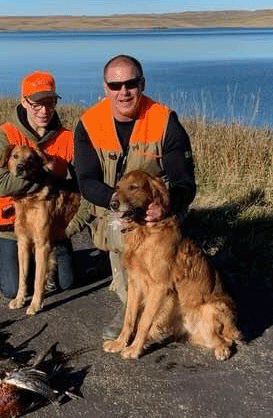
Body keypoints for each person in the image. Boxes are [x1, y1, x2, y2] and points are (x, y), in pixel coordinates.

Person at [73, 55, 197, 340]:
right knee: (121, 237)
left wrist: (166, 206)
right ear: (105, 87)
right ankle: (130, 301)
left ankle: (167, 303)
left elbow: (185, 182)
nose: (124, 92)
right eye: (115, 85)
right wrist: (117, 202)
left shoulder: (165, 121)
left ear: (142, 83)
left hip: (159, 213)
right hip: (114, 210)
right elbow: (87, 181)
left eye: (131, 83)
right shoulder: (89, 124)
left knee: (159, 257)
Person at [0, 71, 77, 299]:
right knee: (11, 289)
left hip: (50, 224)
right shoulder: (6, 134)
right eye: (37, 104)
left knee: (68, 282)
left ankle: (44, 258)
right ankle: (27, 264)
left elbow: (80, 181)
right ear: (24, 102)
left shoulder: (66, 138)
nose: (44, 110)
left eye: (50, 102)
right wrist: (44, 173)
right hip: (13, 224)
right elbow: (2, 186)